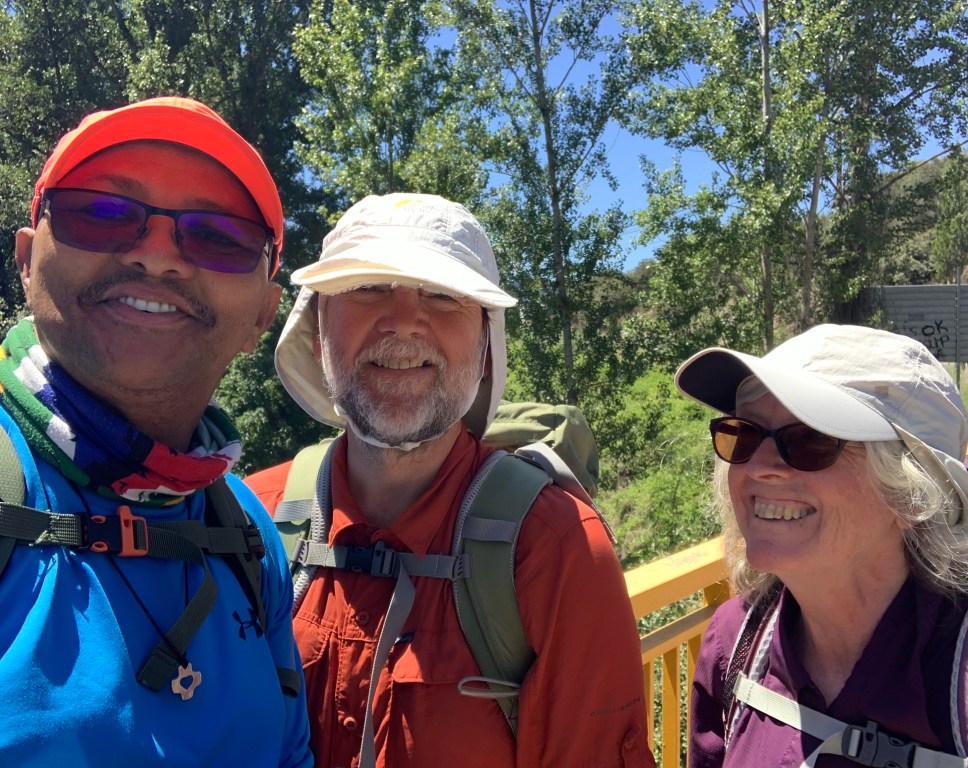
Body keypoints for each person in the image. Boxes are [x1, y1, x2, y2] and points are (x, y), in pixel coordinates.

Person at [245, 193, 655, 768]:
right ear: (318, 334)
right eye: (368, 287)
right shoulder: (251, 521)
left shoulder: (555, 548)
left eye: (443, 295)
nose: (404, 320)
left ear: (487, 349)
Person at [0, 97, 312, 766]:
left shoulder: (247, 532)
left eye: (218, 235)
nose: (157, 256)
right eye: (101, 212)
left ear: (264, 314)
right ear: (25, 261)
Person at [674, 323, 968, 768]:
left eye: (811, 439)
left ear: (913, 494)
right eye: (745, 433)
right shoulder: (734, 644)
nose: (759, 466)